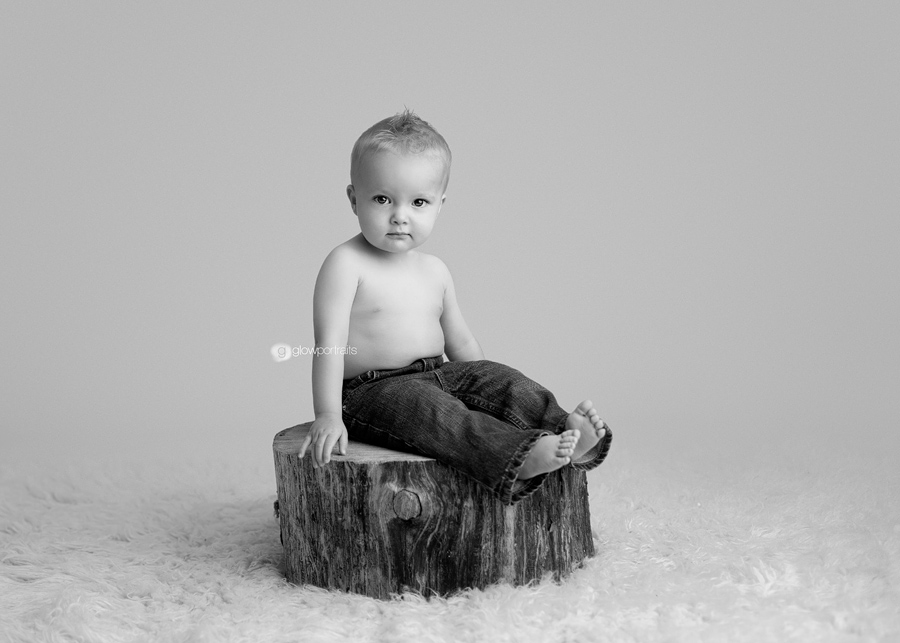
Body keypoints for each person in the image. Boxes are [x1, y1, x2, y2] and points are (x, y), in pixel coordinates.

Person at [298, 110, 611, 504]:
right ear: (353, 199)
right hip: (373, 391)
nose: (399, 216)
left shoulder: (435, 270)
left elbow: (460, 341)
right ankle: (518, 457)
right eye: (382, 199)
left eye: (418, 202)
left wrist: (483, 381)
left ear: (439, 205)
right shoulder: (346, 263)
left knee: (506, 382)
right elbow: (328, 343)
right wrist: (328, 414)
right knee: (439, 416)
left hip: (440, 372)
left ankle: (566, 431)